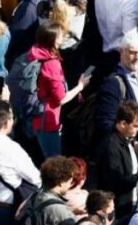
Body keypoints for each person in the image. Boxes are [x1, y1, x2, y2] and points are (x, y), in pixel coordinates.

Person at [27, 21, 91, 157]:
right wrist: (80, 86)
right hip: (47, 120)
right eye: (61, 35)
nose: (64, 36)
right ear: (54, 40)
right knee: (54, 163)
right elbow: (60, 98)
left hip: (34, 114)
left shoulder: (35, 53)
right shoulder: (51, 64)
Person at [95, 101, 138, 216]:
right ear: (123, 124)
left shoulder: (127, 139)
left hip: (130, 202)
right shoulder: (111, 147)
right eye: (136, 126)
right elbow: (118, 183)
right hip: (119, 209)